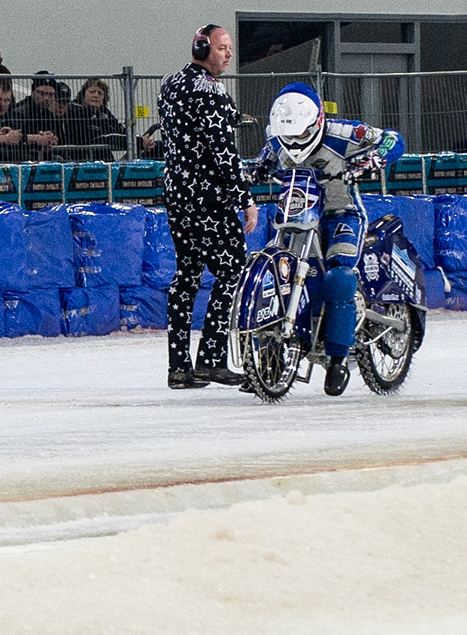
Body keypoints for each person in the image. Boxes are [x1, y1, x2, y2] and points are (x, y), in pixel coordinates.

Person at [250, 81, 404, 396]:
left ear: (317, 122)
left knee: (339, 277)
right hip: (296, 217)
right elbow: (263, 161)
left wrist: (373, 160)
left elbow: (393, 139)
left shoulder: (344, 134)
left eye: (301, 135)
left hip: (341, 214)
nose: (293, 142)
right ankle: (278, 354)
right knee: (284, 272)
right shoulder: (277, 140)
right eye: (287, 136)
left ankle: (337, 359)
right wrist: (252, 171)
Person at [157, 25, 257, 390]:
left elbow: (187, 130)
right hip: (208, 197)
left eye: (229, 48)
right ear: (202, 48)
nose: (228, 55)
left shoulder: (170, 84)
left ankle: (179, 366)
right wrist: (244, 197)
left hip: (177, 195)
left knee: (187, 275)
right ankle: (212, 358)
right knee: (232, 270)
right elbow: (223, 152)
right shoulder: (212, 91)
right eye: (222, 48)